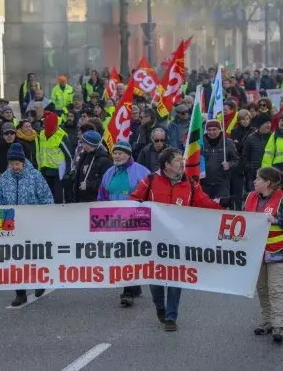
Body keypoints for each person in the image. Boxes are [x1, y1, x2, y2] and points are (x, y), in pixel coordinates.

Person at [130, 148, 221, 331]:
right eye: (178, 160)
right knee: (155, 279)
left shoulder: (190, 184)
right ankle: (160, 306)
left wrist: (222, 205)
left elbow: (203, 202)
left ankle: (171, 317)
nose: (182, 163)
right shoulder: (149, 181)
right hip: (153, 239)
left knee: (175, 277)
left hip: (179, 240)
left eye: (182, 159)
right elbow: (134, 201)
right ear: (167, 165)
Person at [0, 143, 54, 306]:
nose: (14, 167)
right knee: (15, 259)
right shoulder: (5, 177)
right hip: (11, 224)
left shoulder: (35, 176)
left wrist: (45, 218)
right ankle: (20, 293)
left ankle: (39, 282)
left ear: (23, 162)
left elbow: (47, 198)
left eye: (17, 163)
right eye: (12, 164)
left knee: (35, 256)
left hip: (33, 224)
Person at [245, 167, 283, 344]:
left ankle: (278, 325)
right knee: (262, 289)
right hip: (257, 252)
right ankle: (267, 321)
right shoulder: (251, 197)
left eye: (258, 179)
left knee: (275, 290)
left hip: (278, 252)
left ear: (267, 183)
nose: (254, 182)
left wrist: (277, 220)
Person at [97, 140, 150, 307]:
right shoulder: (109, 173)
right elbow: (102, 195)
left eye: (120, 153)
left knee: (130, 254)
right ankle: (135, 286)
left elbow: (149, 195)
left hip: (135, 221)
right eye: (115, 153)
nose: (117, 156)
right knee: (121, 255)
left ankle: (128, 291)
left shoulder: (141, 172)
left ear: (128, 155)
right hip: (114, 221)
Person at [201, 120, 239, 208]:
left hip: (221, 183)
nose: (211, 132)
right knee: (204, 208)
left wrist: (229, 164)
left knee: (221, 208)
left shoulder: (228, 142)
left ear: (219, 130)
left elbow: (236, 160)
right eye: (209, 130)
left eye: (214, 129)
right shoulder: (201, 143)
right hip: (204, 184)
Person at [37, 111, 72, 203]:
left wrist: (67, 173)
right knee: (46, 198)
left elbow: (69, 157)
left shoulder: (62, 137)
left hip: (58, 173)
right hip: (44, 171)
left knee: (58, 199)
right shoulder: (41, 134)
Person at [73, 130, 113, 202]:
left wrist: (89, 185)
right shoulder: (84, 155)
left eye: (83, 142)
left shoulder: (105, 160)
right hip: (82, 199)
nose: (81, 144)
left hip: (95, 201)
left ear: (89, 144)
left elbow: (106, 182)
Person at [242, 113, 272, 192]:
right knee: (255, 201)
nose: (268, 125)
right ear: (259, 125)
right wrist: (250, 169)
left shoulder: (273, 138)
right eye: (266, 123)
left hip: (270, 176)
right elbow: (245, 156)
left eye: (269, 122)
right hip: (254, 176)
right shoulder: (251, 138)